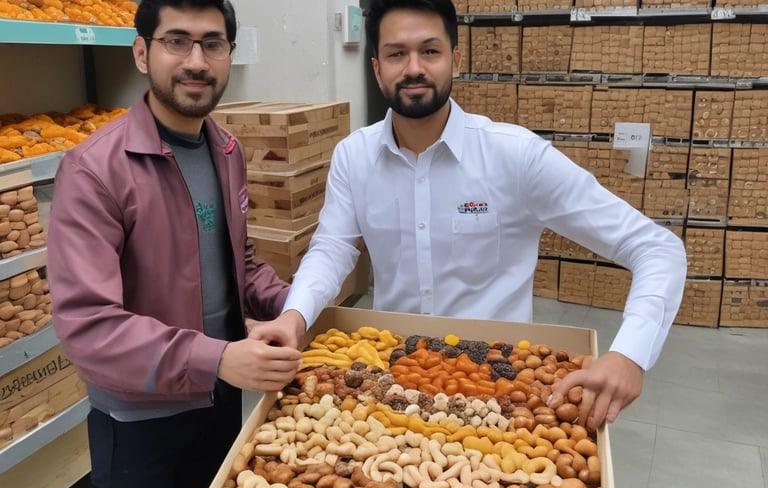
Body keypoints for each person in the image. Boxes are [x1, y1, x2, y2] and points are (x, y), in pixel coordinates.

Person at [254, 0, 687, 434]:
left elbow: (655, 247)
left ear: (455, 60)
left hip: (502, 388)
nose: (413, 68)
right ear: (376, 68)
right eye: (396, 54)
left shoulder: (514, 156)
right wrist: (295, 317)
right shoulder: (355, 156)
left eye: (430, 51)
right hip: (388, 384)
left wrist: (630, 354)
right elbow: (333, 247)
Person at [46, 1, 302, 488]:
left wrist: (298, 306)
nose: (196, 61)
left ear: (230, 54)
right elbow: (87, 326)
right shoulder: (95, 170)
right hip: (139, 421)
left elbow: (237, 261)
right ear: (142, 52)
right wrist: (218, 358)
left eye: (213, 43)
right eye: (176, 41)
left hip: (221, 403)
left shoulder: (225, 150)